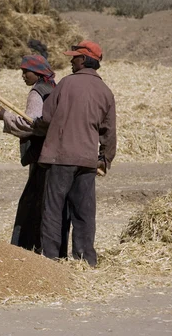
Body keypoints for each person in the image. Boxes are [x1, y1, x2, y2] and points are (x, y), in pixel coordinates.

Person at [33, 40, 116, 267]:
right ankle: (85, 261)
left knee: (53, 210)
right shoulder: (106, 92)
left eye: (74, 57)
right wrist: (104, 159)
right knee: (84, 213)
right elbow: (109, 133)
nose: (71, 60)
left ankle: (51, 261)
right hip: (88, 161)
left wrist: (33, 125)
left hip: (61, 157)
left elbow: (47, 118)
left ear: (84, 60)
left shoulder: (66, 84)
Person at [0, 40, 59, 253]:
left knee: (32, 202)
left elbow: (30, 123)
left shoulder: (37, 92)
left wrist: (6, 116)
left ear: (37, 73)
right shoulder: (54, 88)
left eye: (26, 72)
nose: (23, 76)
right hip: (56, 151)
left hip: (41, 153)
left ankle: (24, 247)